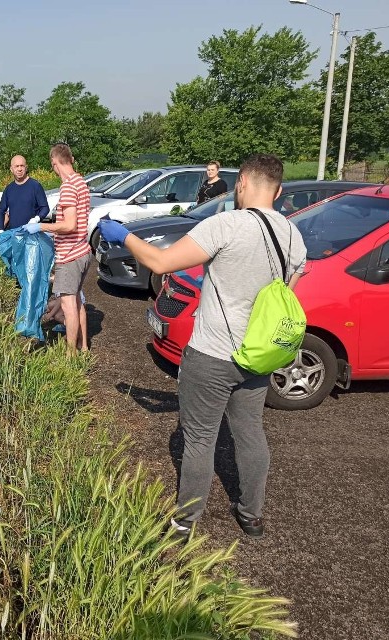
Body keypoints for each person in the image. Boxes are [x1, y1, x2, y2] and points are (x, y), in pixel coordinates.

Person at [98, 154, 307, 539]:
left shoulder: (225, 224)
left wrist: (123, 235)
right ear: (277, 191)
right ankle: (251, 515)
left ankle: (185, 522)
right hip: (258, 355)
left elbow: (161, 263)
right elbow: (284, 296)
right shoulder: (292, 234)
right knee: (249, 432)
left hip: (211, 354)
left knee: (198, 439)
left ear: (241, 183)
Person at [22, 144, 90, 353]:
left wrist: (41, 226)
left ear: (55, 163)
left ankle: (70, 356)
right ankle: (84, 347)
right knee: (78, 303)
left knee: (69, 307)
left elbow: (70, 225)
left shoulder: (68, 186)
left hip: (70, 256)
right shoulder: (82, 182)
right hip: (83, 252)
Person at [0, 155, 50, 231]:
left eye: (22, 166)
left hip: (32, 234)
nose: (19, 169)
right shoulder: (9, 189)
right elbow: (1, 210)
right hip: (14, 235)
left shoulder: (35, 186)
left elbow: (45, 208)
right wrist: (0, 229)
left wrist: (36, 219)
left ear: (26, 167)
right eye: (16, 166)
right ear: (11, 169)